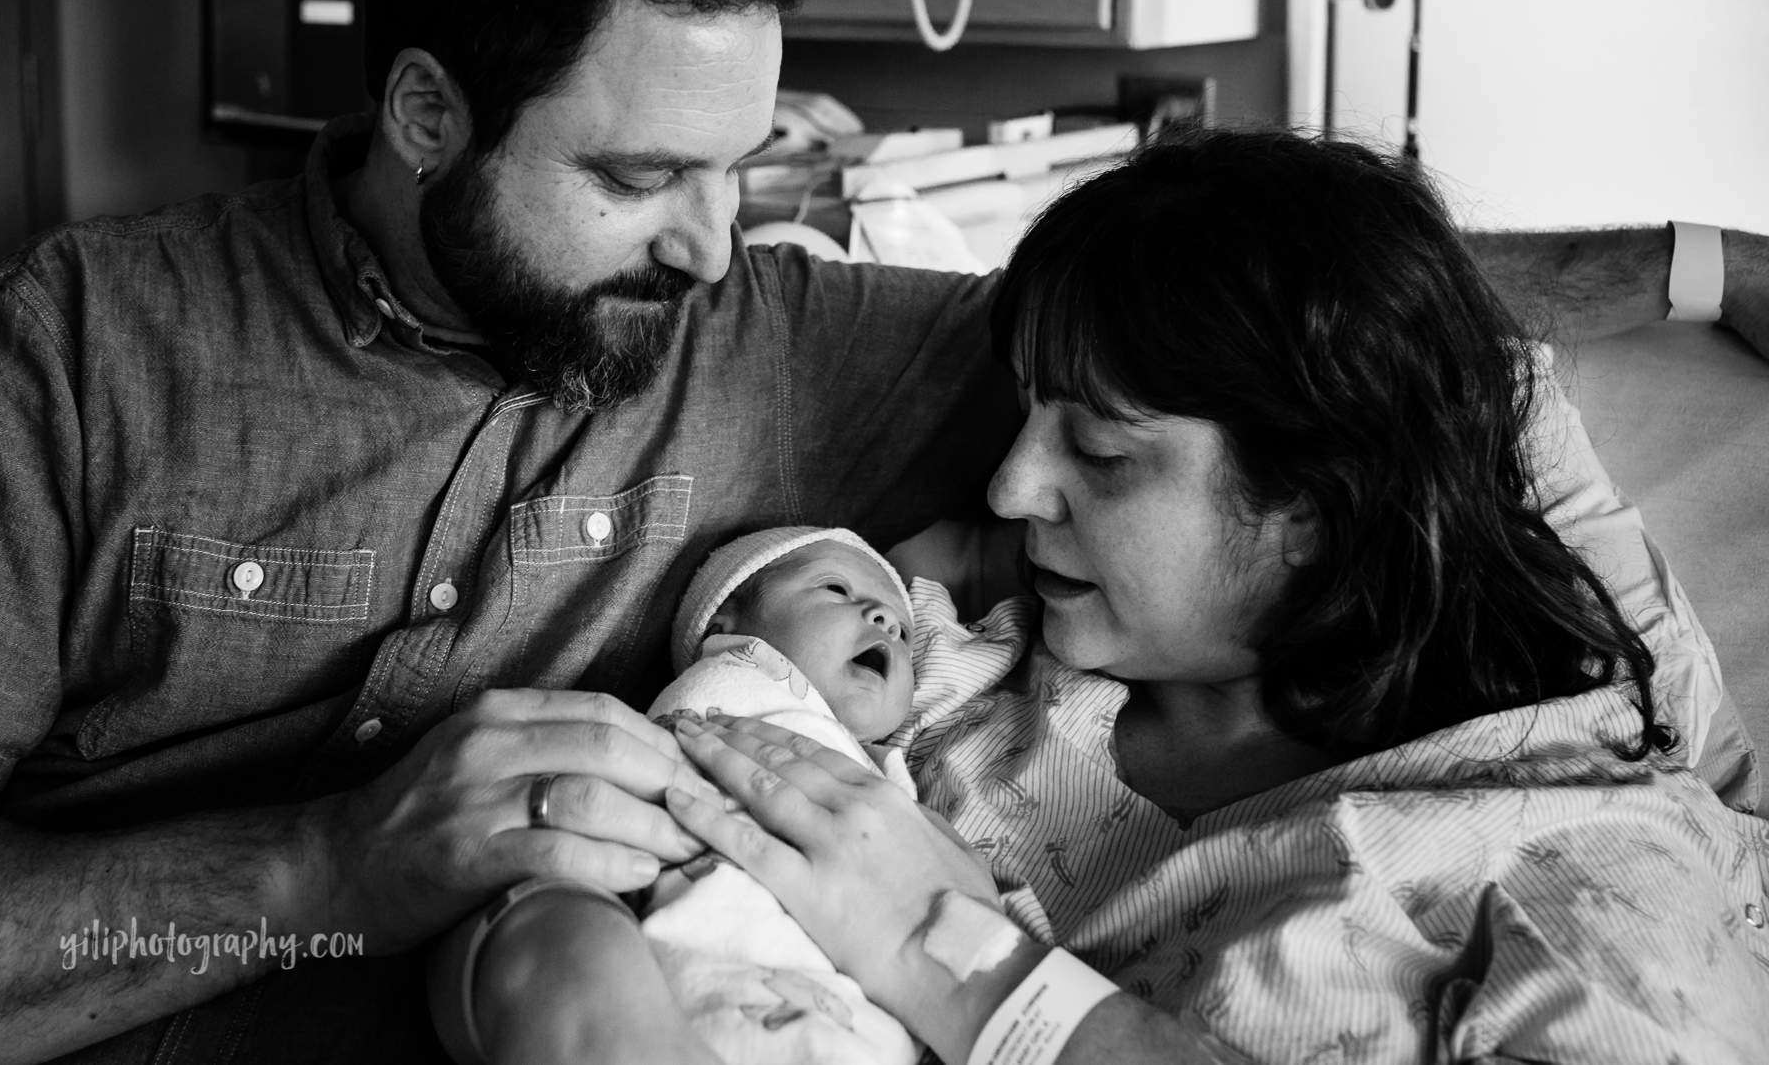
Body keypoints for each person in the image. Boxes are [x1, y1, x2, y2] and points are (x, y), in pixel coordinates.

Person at [0, 0, 1763, 1060]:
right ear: (427, 116)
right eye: (635, 178)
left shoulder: (791, 337)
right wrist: (316, 876)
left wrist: (1700, 266)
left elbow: (1294, 326)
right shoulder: (72, 358)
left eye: (739, 167)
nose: (706, 246)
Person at [660, 130, 1769, 1065]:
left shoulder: (1578, 854)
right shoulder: (947, 668)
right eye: (1030, 412)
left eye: (1099, 450)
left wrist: (966, 962)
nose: (1010, 483)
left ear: (1316, 507)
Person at [437, 526, 928, 1065]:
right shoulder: (733, 681)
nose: (884, 620)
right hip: (691, 969)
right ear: (725, 624)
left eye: (904, 632)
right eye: (837, 589)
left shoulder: (881, 771)